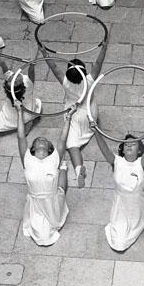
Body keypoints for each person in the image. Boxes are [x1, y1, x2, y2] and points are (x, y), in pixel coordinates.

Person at [39, 39, 108, 188]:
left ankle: (78, 170)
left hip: (73, 113)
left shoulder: (64, 81)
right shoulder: (89, 80)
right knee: (73, 142)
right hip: (90, 113)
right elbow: (98, 63)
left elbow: (53, 66)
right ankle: (78, 172)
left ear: (68, 73)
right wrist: (104, 47)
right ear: (84, 72)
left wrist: (44, 52)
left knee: (71, 145)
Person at [91, 127, 144, 251]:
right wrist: (96, 132)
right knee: (119, 244)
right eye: (126, 144)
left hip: (139, 202)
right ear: (122, 149)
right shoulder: (116, 161)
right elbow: (104, 149)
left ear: (139, 150)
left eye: (133, 144)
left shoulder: (142, 163)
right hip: (121, 206)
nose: (129, 145)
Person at [16, 101, 75, 246]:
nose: (42, 140)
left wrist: (68, 118)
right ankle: (63, 168)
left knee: (60, 190)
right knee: (41, 236)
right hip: (36, 204)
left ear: (49, 148)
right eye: (38, 140)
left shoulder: (54, 158)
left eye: (45, 140)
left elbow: (62, 139)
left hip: (52, 201)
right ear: (33, 147)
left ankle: (63, 169)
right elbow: (21, 137)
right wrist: (19, 111)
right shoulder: (27, 159)